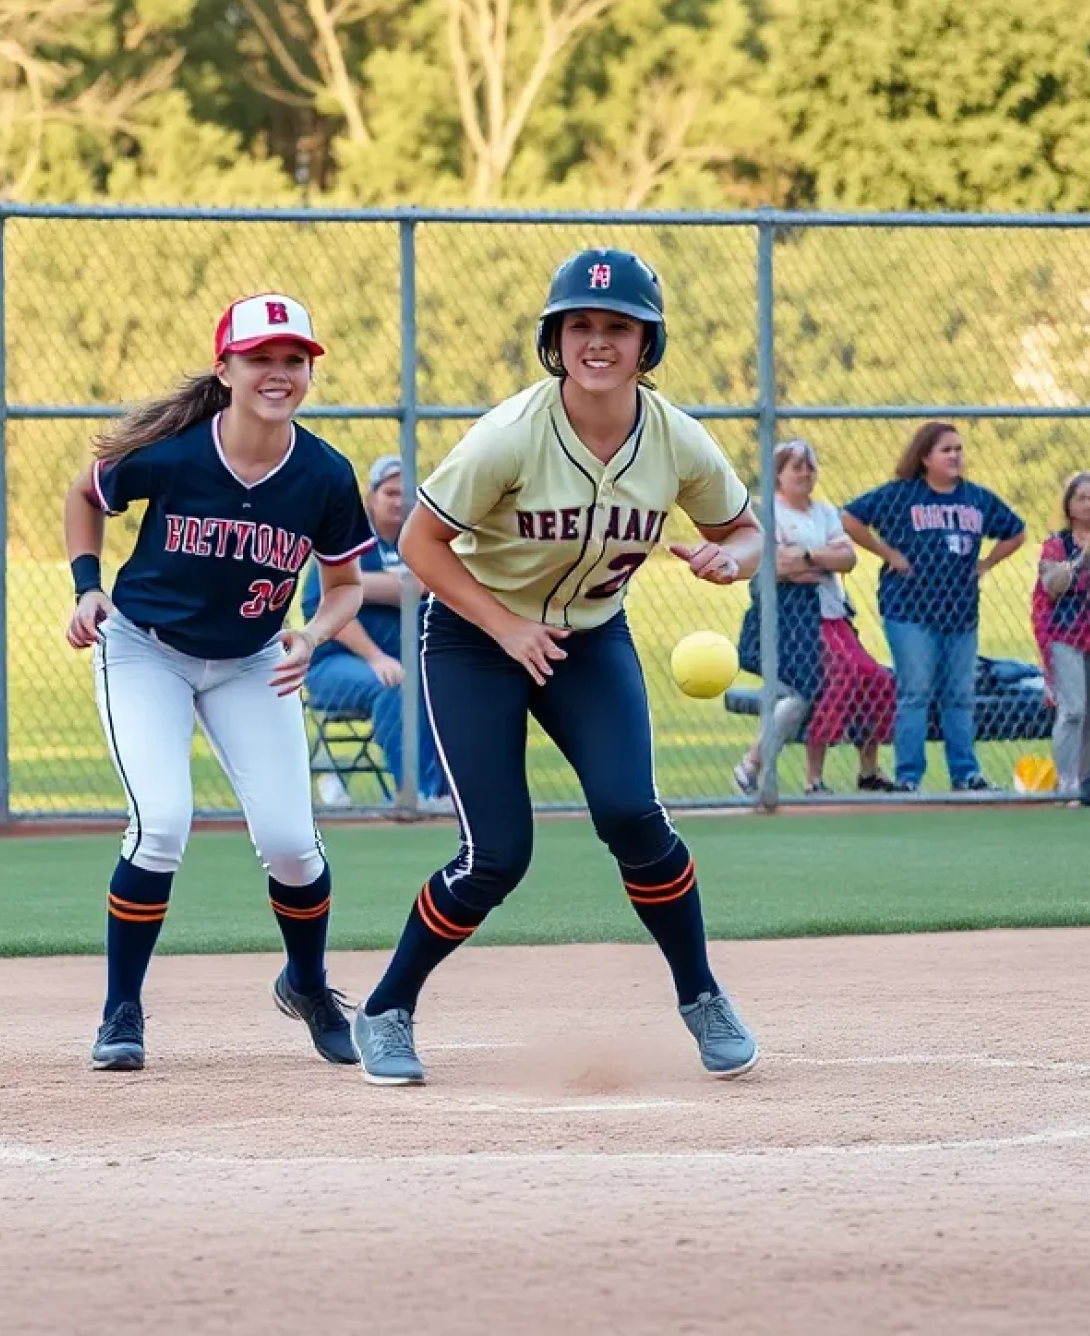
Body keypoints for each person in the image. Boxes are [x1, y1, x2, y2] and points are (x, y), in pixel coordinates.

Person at [349, 246, 765, 1087]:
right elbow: (418, 545)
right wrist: (503, 628)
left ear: (648, 343)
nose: (599, 342)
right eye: (581, 325)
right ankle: (387, 1008)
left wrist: (736, 560)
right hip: (474, 637)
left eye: (619, 327)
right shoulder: (511, 434)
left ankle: (702, 994)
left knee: (633, 816)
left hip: (590, 638)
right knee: (496, 855)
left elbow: (747, 530)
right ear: (556, 338)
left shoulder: (676, 440)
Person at [64, 292, 375, 1075]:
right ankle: (121, 1011)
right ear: (226, 368)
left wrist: (312, 633)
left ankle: (307, 983)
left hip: (253, 661)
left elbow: (346, 587)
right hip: (146, 650)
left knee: (291, 846)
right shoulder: (175, 452)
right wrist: (86, 585)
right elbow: (84, 494)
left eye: (293, 360)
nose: (279, 373)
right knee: (162, 824)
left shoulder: (325, 474)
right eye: (260, 358)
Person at [843, 423, 1025, 792]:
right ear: (925, 457)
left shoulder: (975, 499)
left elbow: (1016, 530)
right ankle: (909, 777)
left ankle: (966, 774)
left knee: (959, 695)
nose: (956, 455)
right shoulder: (902, 495)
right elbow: (849, 518)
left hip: (960, 611)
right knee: (915, 692)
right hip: (909, 609)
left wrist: (986, 563)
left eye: (959, 449)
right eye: (946, 450)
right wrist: (888, 553)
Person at [734, 439, 898, 796]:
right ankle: (812, 778)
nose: (806, 473)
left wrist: (806, 555)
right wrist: (817, 559)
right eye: (797, 467)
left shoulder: (824, 513)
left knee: (877, 680)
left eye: (810, 466)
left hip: (833, 613)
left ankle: (869, 770)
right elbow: (774, 565)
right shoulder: (767, 513)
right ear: (777, 474)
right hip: (795, 620)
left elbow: (847, 559)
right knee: (834, 681)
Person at [302, 454, 448, 804]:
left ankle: (445, 793)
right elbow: (330, 606)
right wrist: (375, 656)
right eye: (391, 492)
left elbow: (439, 585)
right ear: (372, 497)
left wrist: (368, 586)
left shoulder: (420, 541)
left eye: (407, 494)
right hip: (335, 664)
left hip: (404, 665)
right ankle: (414, 795)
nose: (400, 501)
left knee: (448, 688)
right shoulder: (349, 537)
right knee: (396, 687)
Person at [1031, 472, 1090, 794]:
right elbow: (1052, 586)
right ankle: (1067, 782)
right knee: (1072, 710)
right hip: (1066, 636)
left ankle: (1086, 784)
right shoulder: (1057, 545)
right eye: (1081, 498)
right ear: (1069, 506)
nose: (1088, 504)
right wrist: (1079, 561)